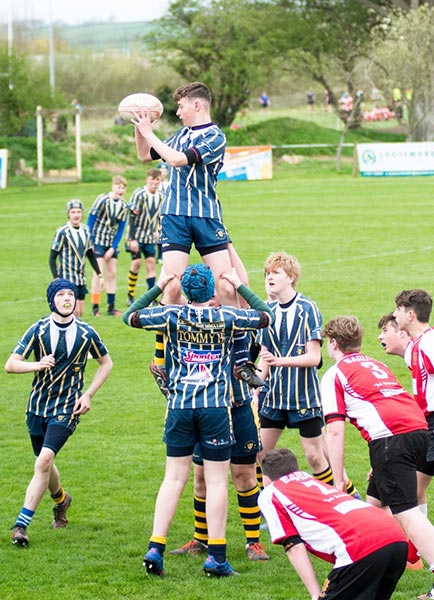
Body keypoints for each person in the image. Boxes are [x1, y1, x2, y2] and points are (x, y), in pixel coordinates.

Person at [122, 263, 274, 577]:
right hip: (214, 409)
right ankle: (216, 558)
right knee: (218, 481)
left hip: (179, 407)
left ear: (187, 291)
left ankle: (155, 546)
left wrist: (160, 285)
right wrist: (238, 283)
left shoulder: (170, 315)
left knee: (173, 479)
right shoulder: (226, 317)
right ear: (211, 290)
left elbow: (130, 315)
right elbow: (265, 315)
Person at [321, 315, 434, 599]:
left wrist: (337, 481)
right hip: (418, 430)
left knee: (407, 514)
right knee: (371, 508)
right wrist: (380, 461)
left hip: (392, 440)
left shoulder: (335, 374)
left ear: (332, 343)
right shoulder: (376, 363)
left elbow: (334, 431)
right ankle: (362, 569)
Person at [5, 279, 113, 547]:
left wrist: (88, 394)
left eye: (71, 295)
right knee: (45, 463)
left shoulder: (87, 333)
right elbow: (10, 365)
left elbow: (106, 363)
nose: (67, 299)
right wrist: (37, 365)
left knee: (42, 463)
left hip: (67, 408)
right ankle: (61, 500)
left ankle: (21, 525)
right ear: (51, 300)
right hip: (37, 407)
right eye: (61, 294)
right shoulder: (38, 329)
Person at [133, 81, 237, 308]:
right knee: (171, 286)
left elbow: (177, 159)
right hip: (174, 216)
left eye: (181, 107)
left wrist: (149, 132)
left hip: (206, 216)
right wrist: (140, 126)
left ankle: (237, 343)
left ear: (197, 105)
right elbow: (143, 154)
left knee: (227, 286)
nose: (178, 112)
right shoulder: (179, 135)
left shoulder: (215, 137)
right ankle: (172, 343)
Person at [168, 334, 269, 562]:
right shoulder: (197, 321)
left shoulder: (236, 317)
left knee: (244, 476)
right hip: (206, 409)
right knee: (201, 477)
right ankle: (200, 539)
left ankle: (253, 542)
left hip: (239, 407)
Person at [259, 448, 407, 600]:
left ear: (266, 478)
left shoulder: (270, 493)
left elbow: (294, 547)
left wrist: (315, 595)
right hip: (396, 537)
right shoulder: (310, 480)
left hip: (361, 547)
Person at [254, 252, 331, 484]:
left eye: (276, 273)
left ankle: (330, 507)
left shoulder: (307, 308)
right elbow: (265, 359)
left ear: (291, 277)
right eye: (267, 273)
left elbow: (314, 357)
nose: (269, 277)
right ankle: (274, 510)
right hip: (274, 397)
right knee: (261, 455)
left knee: (315, 456)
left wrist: (281, 361)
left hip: (303, 397)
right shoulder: (266, 311)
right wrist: (254, 388)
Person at [50, 199, 104, 317]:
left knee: (79, 313)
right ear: (68, 214)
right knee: (70, 313)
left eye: (79, 212)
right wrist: (56, 278)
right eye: (73, 212)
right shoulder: (62, 232)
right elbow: (52, 257)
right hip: (67, 278)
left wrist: (99, 275)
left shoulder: (85, 231)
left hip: (80, 278)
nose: (76, 215)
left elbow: (90, 254)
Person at [87, 175, 128, 316]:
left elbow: (121, 228)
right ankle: (95, 308)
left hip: (110, 243)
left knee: (112, 274)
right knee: (98, 273)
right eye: (118, 186)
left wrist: (113, 247)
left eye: (123, 187)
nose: (121, 190)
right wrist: (89, 241)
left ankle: (111, 307)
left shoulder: (124, 205)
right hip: (97, 241)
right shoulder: (102, 200)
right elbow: (90, 220)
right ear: (112, 186)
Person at [125, 168, 163, 305]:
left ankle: (151, 297)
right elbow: (132, 217)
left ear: (160, 180)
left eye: (157, 179)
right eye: (152, 179)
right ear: (147, 179)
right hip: (135, 235)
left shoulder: (161, 196)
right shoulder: (139, 194)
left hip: (150, 236)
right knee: (136, 263)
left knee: (151, 263)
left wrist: (159, 229)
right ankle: (130, 294)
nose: (154, 182)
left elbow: (161, 217)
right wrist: (132, 239)